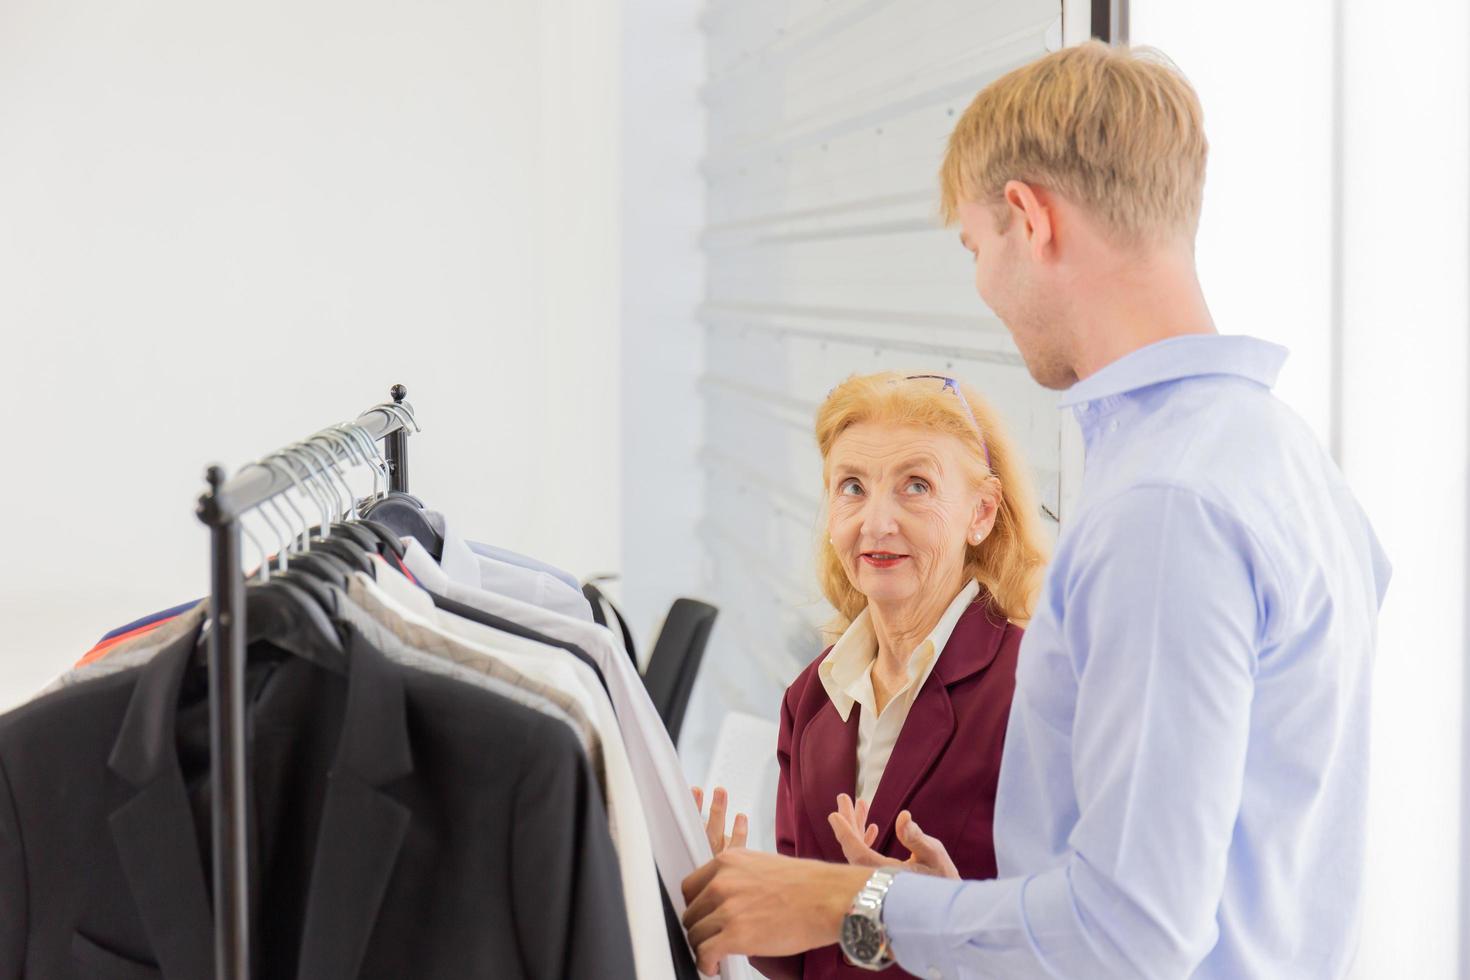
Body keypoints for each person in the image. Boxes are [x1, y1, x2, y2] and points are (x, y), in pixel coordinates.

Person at [681, 39, 1391, 980]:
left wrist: (848, 901)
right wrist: (954, 907)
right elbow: (1226, 867)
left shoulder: (1164, 508)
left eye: (976, 247)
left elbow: (1133, 937)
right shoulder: (1283, 458)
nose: (983, 290)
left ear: (1028, 218)